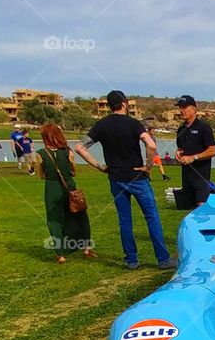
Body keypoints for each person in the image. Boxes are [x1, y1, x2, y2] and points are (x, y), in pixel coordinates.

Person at [74, 90, 175, 271]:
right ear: (124, 104)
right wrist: (149, 166)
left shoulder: (101, 125)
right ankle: (163, 259)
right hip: (137, 177)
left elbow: (80, 148)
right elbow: (151, 144)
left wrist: (99, 166)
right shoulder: (134, 124)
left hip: (116, 178)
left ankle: (132, 260)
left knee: (125, 220)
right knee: (151, 217)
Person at [35, 122, 94, 264]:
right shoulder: (68, 152)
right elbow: (73, 171)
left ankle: (61, 254)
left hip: (52, 188)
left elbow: (41, 174)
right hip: (69, 186)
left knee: (54, 220)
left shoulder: (40, 154)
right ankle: (86, 247)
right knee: (80, 216)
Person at [175, 94, 215, 205]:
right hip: (186, 178)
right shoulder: (181, 130)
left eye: (185, 107)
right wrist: (178, 153)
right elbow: (181, 148)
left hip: (201, 177)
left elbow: (213, 150)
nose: (181, 110)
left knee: (202, 212)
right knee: (190, 213)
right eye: (180, 107)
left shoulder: (203, 128)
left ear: (194, 109)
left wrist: (194, 157)